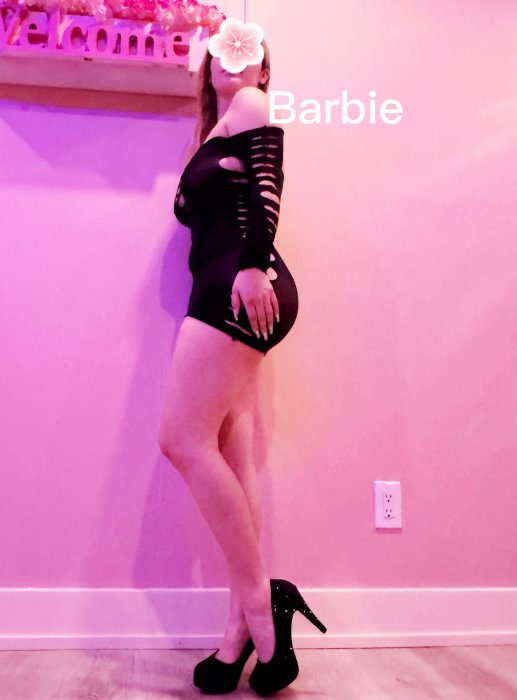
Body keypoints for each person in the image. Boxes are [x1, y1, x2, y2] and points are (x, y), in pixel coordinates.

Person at [158, 37, 327, 696]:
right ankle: (238, 634)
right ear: (206, 66)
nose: (232, 59)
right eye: (220, 51)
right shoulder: (214, 128)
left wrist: (254, 266)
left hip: (240, 284)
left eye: (245, 50)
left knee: (181, 439)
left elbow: (266, 181)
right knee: (233, 450)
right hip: (225, 285)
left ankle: (262, 603)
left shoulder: (253, 103)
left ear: (262, 67)